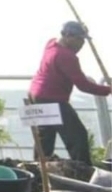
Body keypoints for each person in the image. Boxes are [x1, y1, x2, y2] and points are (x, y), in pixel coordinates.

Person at [28, 21, 111, 165]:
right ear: (68, 36)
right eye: (79, 39)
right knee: (78, 137)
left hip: (35, 96)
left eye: (84, 40)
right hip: (51, 100)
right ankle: (83, 170)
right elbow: (83, 85)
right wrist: (108, 90)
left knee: (44, 139)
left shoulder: (51, 45)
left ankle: (39, 169)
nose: (81, 44)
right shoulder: (67, 57)